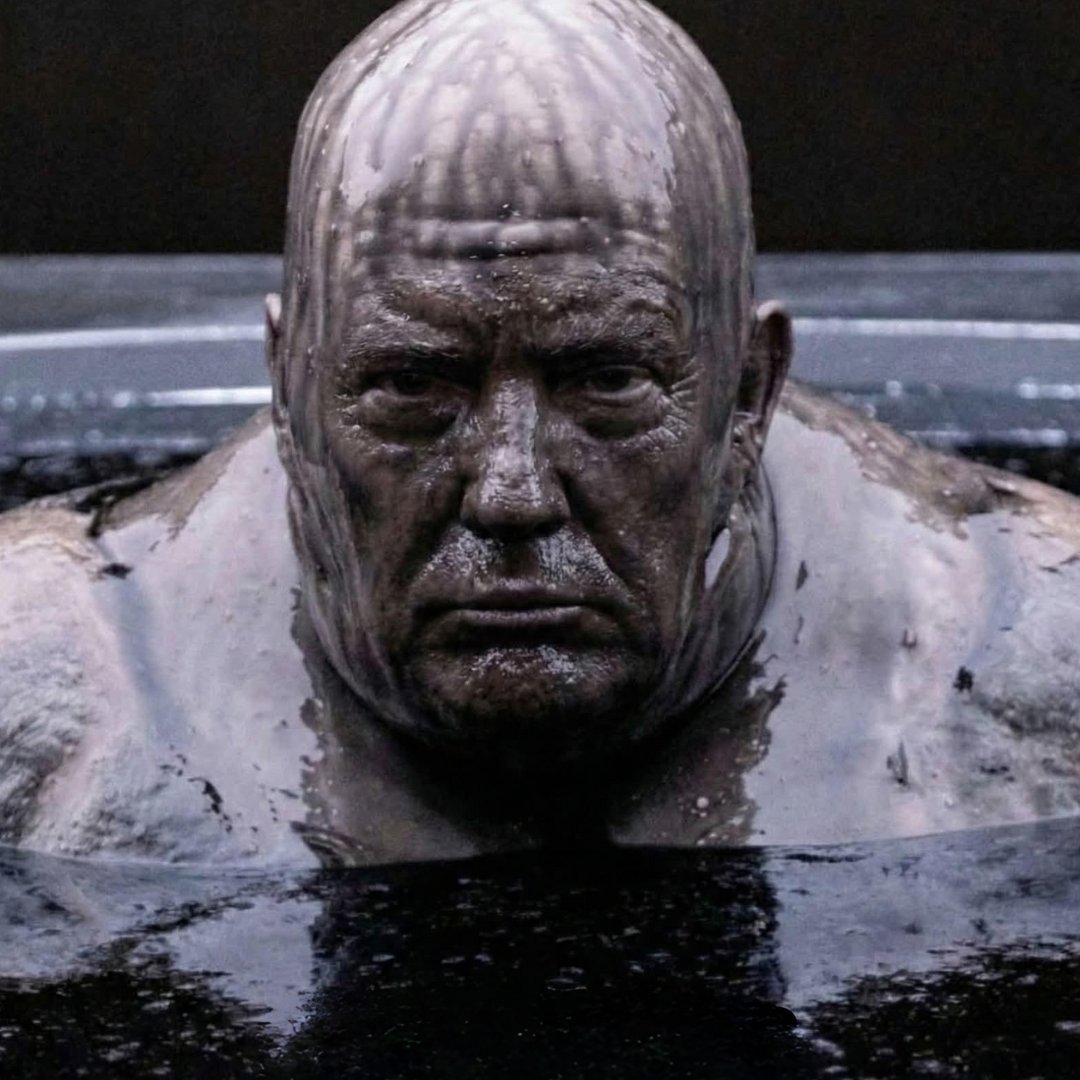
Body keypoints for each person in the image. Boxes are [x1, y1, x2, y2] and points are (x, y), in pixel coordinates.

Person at [2, 0, 1078, 865]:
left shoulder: (1028, 664)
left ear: (750, 393)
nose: (512, 495)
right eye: (414, 389)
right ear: (289, 392)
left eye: (606, 383)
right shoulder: (55, 682)